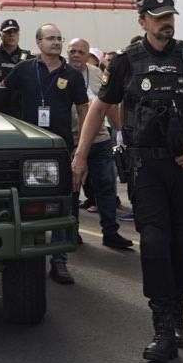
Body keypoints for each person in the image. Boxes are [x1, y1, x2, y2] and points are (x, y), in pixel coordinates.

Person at [73, 0, 183, 363]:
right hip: (146, 168)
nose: (166, 23)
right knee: (154, 243)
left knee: (181, 244)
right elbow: (99, 108)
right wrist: (81, 155)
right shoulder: (127, 60)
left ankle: (177, 316)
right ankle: (162, 329)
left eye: (169, 16)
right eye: (158, 18)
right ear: (142, 21)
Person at [3, 25, 90, 284]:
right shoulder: (24, 68)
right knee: (26, 202)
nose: (56, 42)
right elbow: (1, 91)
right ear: (38, 42)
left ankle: (59, 261)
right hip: (27, 148)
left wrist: (81, 147)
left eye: (59, 38)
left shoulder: (72, 75)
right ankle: (25, 255)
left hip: (60, 148)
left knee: (63, 203)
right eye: (50, 38)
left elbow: (83, 109)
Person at [68, 37, 132, 250]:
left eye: (81, 52)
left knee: (106, 188)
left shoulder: (97, 74)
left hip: (100, 140)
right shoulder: (61, 74)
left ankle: (110, 232)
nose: (76, 55)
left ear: (88, 55)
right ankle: (72, 230)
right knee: (72, 189)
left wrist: (120, 130)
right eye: (72, 51)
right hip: (72, 141)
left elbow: (110, 103)